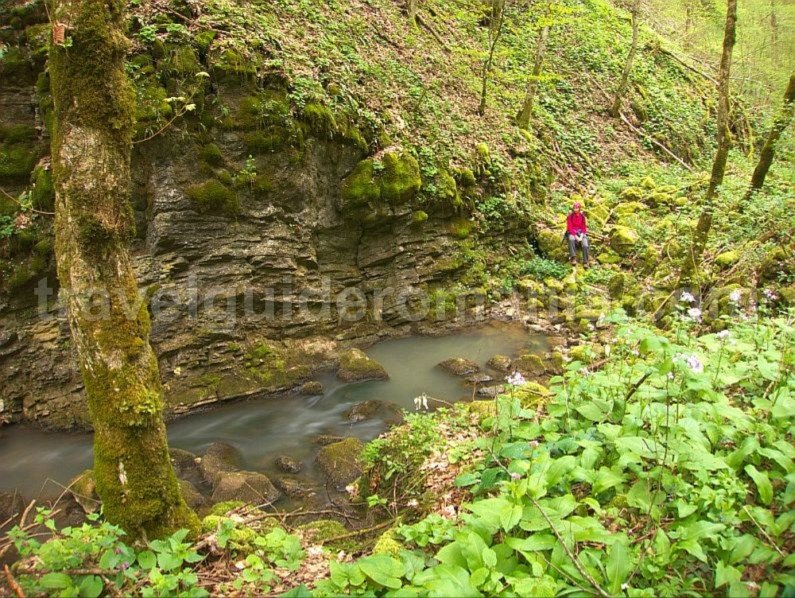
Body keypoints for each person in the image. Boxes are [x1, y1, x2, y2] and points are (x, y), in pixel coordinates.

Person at [566, 201, 590, 267]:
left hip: (581, 232)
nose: (575, 209)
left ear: (579, 208)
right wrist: (576, 237)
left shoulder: (582, 216)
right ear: (573, 209)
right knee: (571, 239)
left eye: (577, 208)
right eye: (574, 208)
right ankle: (573, 257)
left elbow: (584, 227)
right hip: (572, 232)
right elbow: (569, 227)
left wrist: (581, 236)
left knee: (585, 245)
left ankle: (586, 261)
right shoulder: (570, 216)